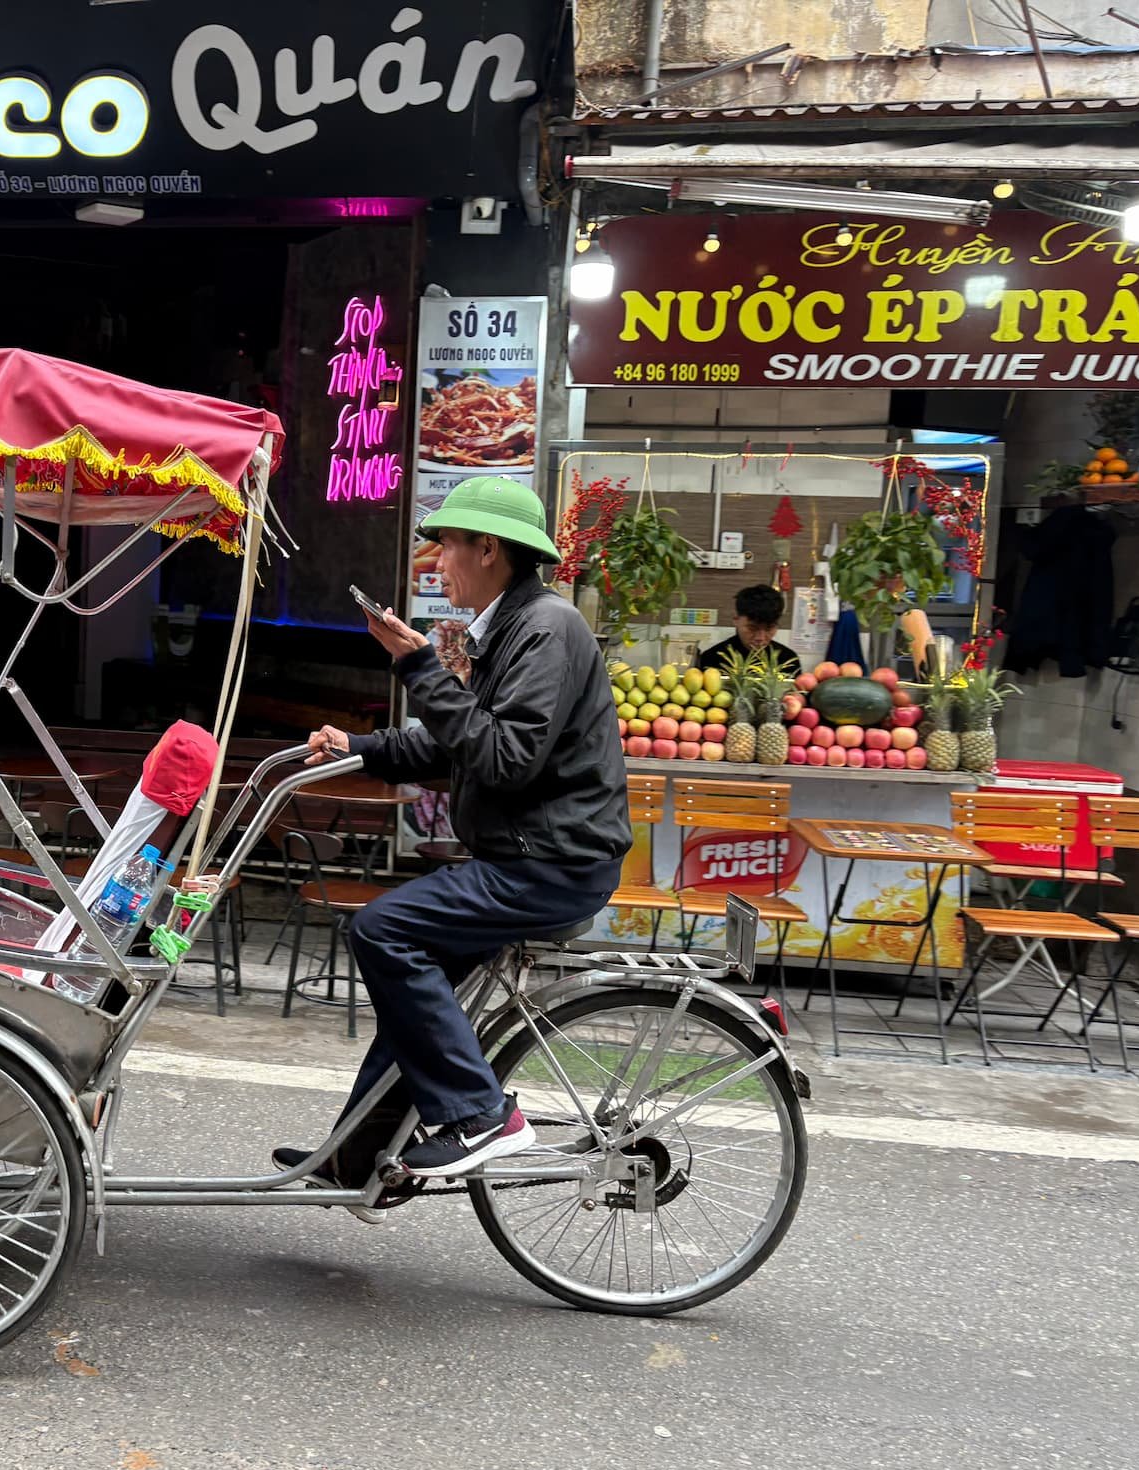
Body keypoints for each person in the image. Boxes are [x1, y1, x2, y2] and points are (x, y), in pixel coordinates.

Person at [279, 475, 631, 1205]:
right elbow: (456, 746)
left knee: (385, 932)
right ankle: (359, 1158)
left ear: (489, 549)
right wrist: (362, 746)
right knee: (415, 996)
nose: (436, 562)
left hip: (550, 863)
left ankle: (480, 1116)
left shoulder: (545, 628)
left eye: (446, 546)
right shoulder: (512, 627)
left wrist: (418, 667)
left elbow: (504, 758)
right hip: (530, 855)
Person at [697, 584, 802, 678]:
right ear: (736, 620)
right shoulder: (712, 659)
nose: (760, 638)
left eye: (769, 629)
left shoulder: (788, 660)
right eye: (752, 628)